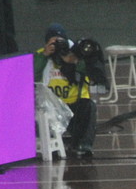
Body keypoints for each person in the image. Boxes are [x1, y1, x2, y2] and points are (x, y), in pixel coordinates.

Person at [33, 23, 108, 158]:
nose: (57, 46)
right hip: (52, 108)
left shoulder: (76, 54)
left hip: (74, 106)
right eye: (53, 42)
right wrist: (44, 55)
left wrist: (74, 62)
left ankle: (84, 145)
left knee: (89, 106)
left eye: (60, 42)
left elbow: (92, 72)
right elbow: (32, 73)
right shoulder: (40, 54)